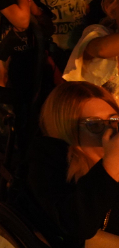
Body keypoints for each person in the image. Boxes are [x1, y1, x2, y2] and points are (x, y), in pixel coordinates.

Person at [15, 81, 119, 247]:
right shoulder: (48, 158)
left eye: (114, 120)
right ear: (68, 130)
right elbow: (77, 225)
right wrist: (112, 164)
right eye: (96, 125)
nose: (111, 130)